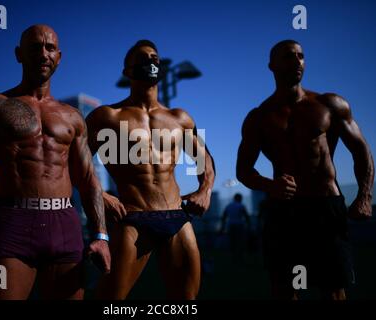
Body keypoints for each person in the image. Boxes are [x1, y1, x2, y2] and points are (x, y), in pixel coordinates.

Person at [0, 24, 110, 300]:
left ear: (59, 57)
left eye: (50, 48)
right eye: (35, 47)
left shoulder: (72, 117)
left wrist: (101, 235)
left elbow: (87, 179)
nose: (43, 53)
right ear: (18, 54)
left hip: (65, 224)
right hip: (14, 224)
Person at [236, 40, 374, 300]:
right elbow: (243, 170)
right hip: (284, 211)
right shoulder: (259, 117)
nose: (297, 61)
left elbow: (361, 150)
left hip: (325, 207)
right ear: (272, 66)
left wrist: (365, 196)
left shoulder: (330, 105)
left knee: (333, 290)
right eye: (289, 57)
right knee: (284, 290)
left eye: (301, 56)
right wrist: (270, 185)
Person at [86, 40, 215, 299]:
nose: (151, 62)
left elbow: (205, 160)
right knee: (111, 300)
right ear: (127, 71)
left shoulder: (180, 118)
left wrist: (205, 189)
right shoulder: (107, 116)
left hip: (176, 216)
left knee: (185, 301)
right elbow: (75, 164)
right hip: (133, 217)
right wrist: (100, 194)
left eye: (155, 58)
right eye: (143, 59)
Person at [220, 193, 249, 262]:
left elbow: (224, 216)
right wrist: (249, 225)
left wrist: (223, 227)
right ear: (240, 198)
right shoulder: (241, 206)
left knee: (232, 242)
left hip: (231, 225)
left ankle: (233, 257)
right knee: (240, 241)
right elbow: (246, 216)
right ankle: (240, 257)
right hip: (239, 225)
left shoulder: (229, 206)